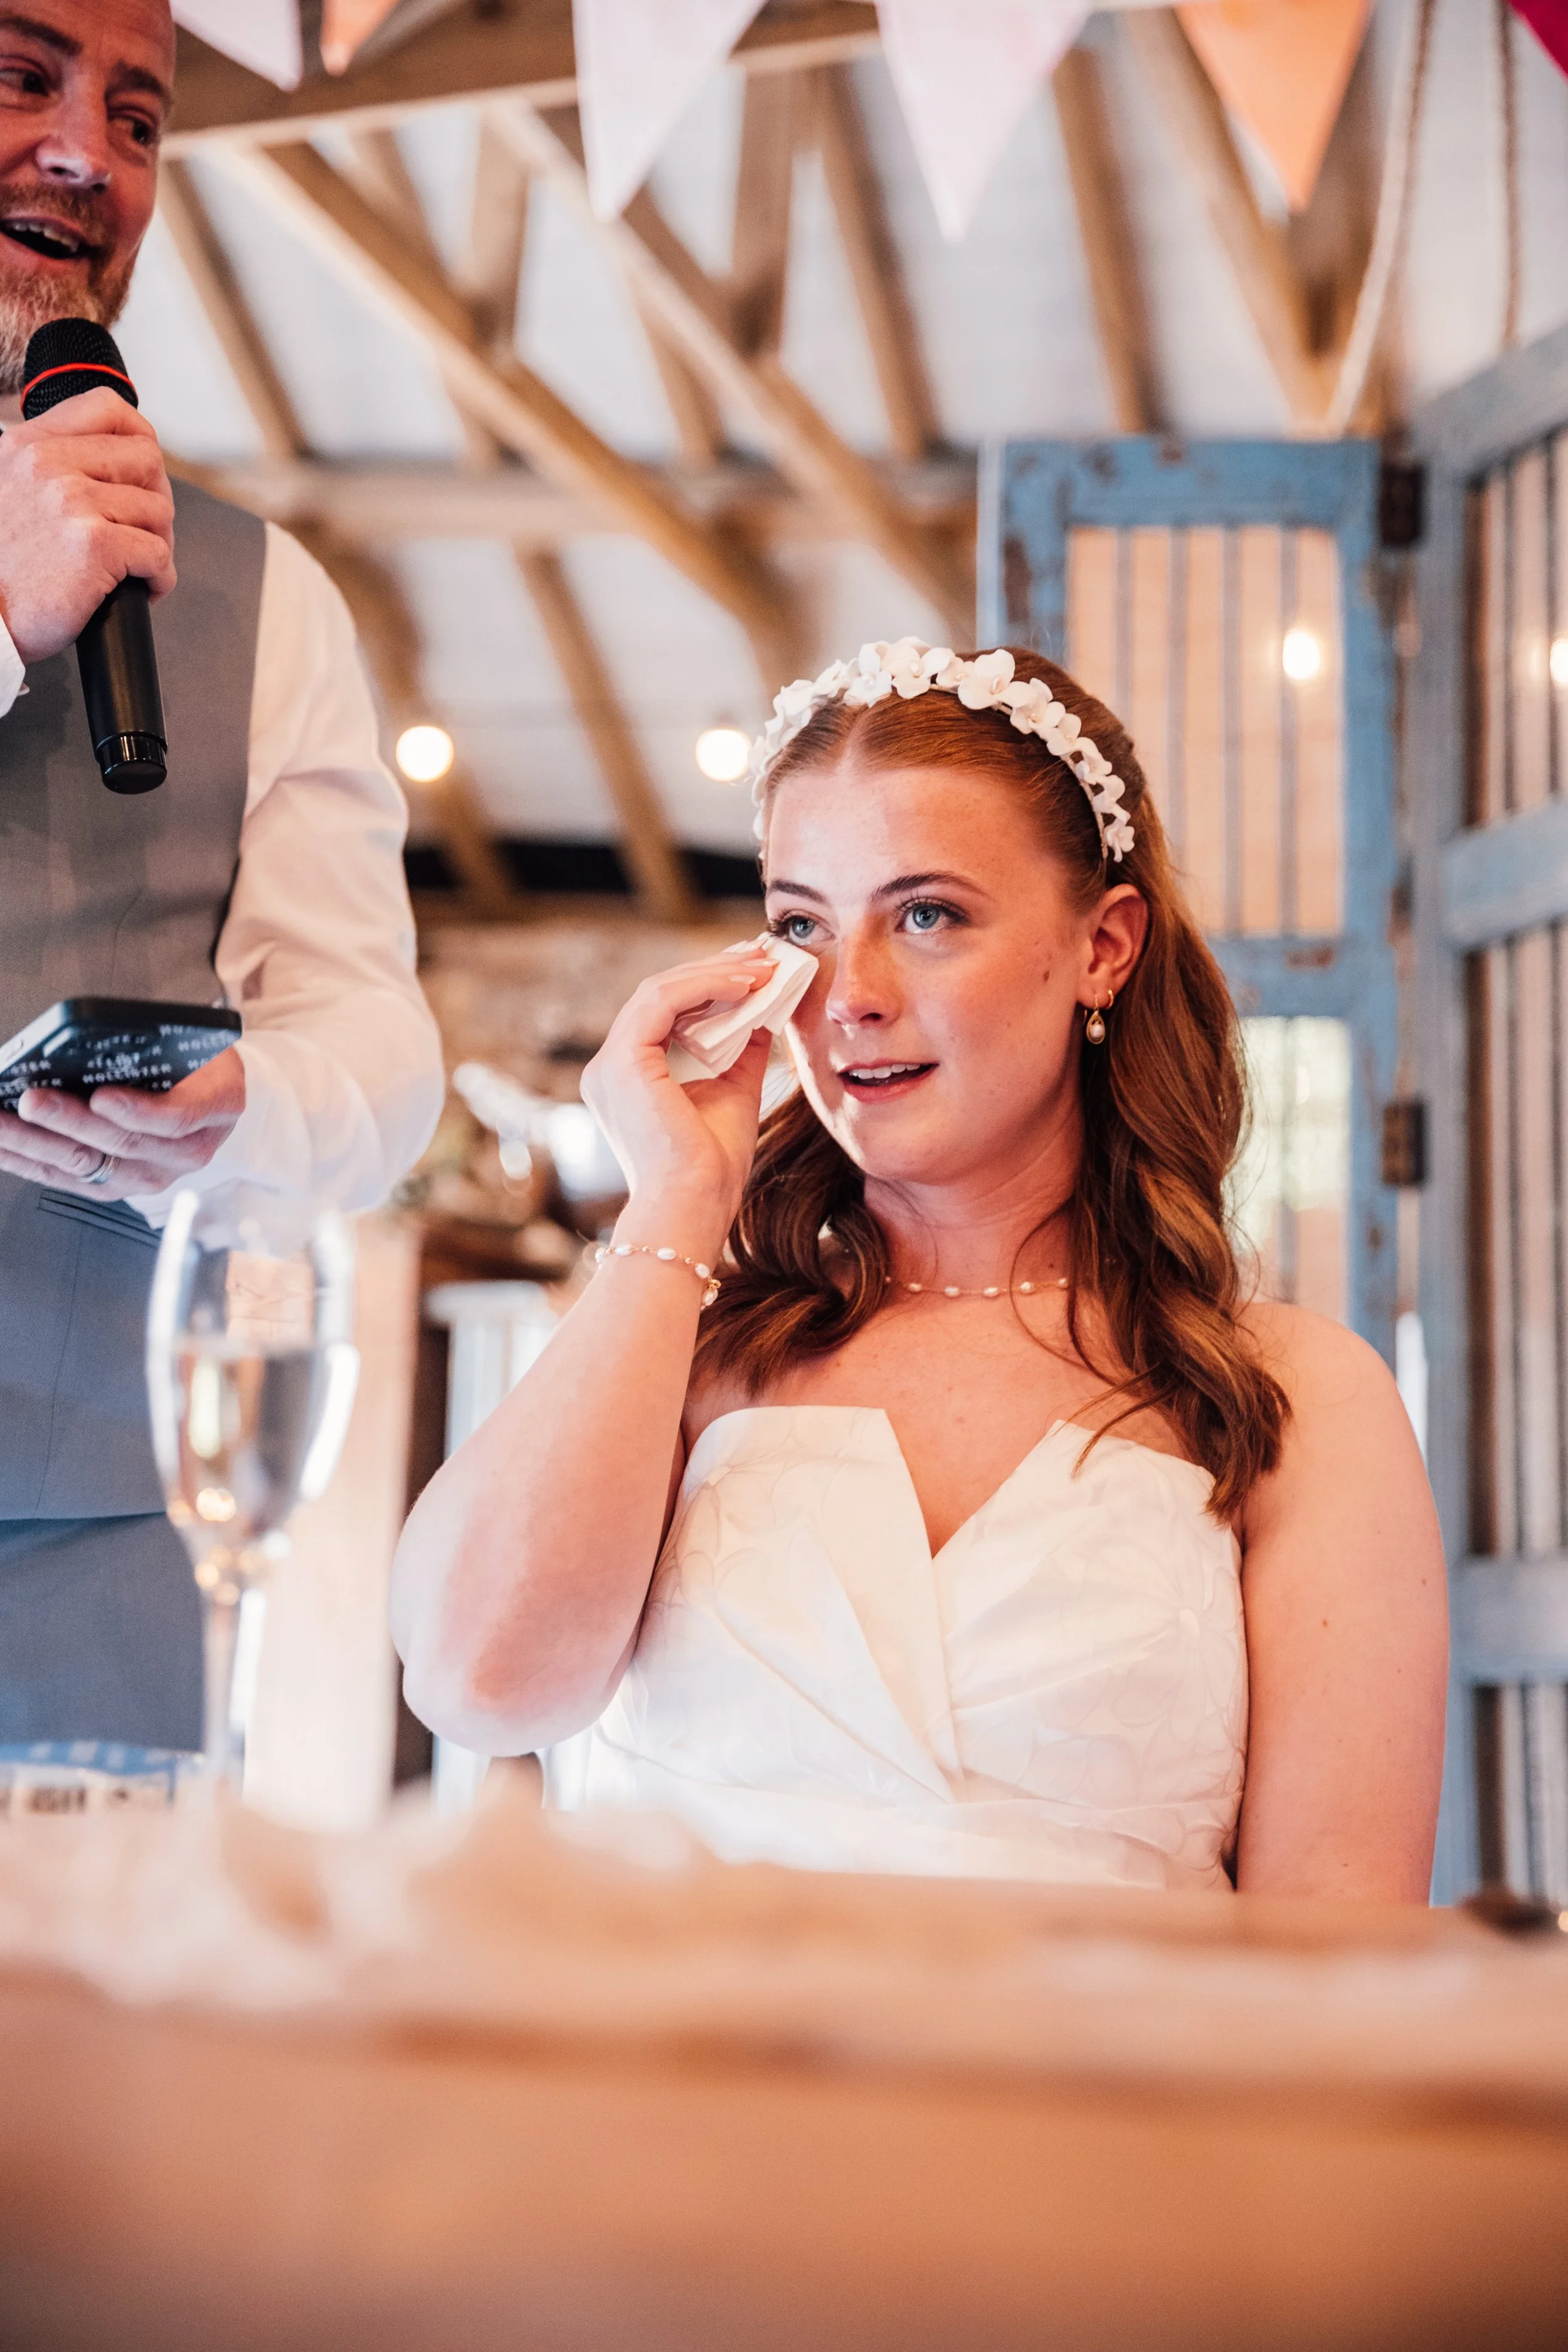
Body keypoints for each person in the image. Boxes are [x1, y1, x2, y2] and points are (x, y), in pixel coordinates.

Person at [392, 638, 1448, 1902]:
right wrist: (676, 1203)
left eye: (927, 915)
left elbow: (1329, 1958)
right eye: (802, 926)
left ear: (1103, 947)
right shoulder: (692, 1352)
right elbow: (479, 1685)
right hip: (665, 2085)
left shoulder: (1292, 1396)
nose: (848, 996)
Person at [0, 0, 444, 1751]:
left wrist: (242, 1111)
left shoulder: (265, 603)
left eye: (137, 114)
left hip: (90, 1552)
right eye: (22, 78)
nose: (83, 156)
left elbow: (373, 1041)